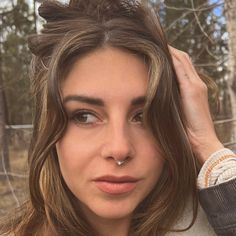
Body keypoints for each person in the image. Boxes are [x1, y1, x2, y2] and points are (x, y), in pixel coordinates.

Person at [1, 0, 236, 235]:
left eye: (144, 116)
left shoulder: (212, 223)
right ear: (48, 128)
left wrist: (209, 148)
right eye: (84, 116)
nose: (120, 149)